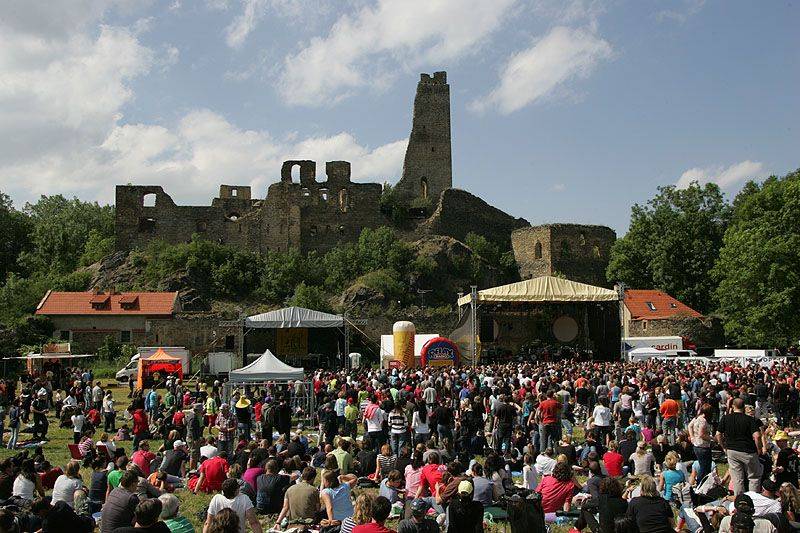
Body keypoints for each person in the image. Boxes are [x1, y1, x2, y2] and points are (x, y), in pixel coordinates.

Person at [716, 397, 763, 495]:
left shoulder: (725, 418)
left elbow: (718, 434)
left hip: (732, 450)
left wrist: (723, 446)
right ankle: (753, 499)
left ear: (733, 406)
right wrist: (759, 449)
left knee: (737, 478)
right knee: (753, 477)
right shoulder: (749, 419)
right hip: (748, 451)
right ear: (744, 407)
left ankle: (739, 500)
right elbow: (757, 436)